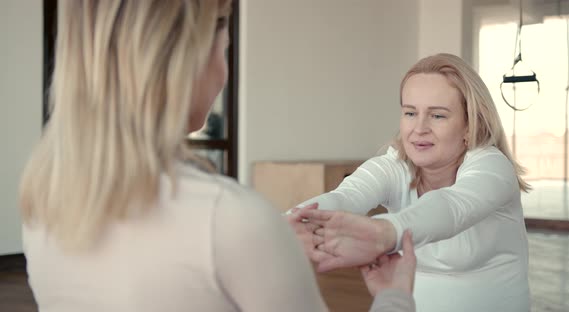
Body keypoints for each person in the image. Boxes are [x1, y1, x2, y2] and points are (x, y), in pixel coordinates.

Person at [19, 1, 416, 311]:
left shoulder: (43, 199)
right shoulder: (229, 217)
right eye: (224, 49)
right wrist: (394, 296)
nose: (223, 72)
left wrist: (265, 253)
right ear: (189, 59)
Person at [291, 53, 531, 312]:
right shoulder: (394, 166)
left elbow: (451, 207)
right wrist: (286, 225)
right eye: (410, 113)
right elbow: (345, 197)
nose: (419, 128)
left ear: (469, 126)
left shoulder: (492, 167)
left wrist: (384, 232)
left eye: (437, 116)